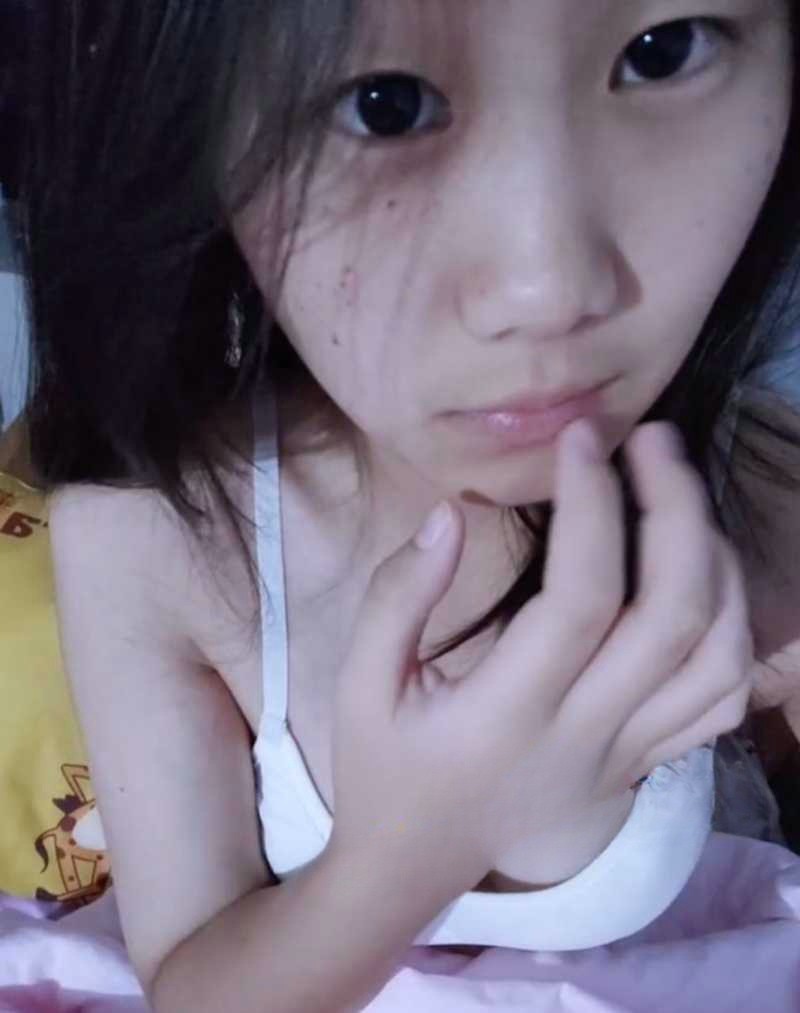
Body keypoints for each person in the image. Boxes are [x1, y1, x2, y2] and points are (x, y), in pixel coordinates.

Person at [17, 1, 800, 1010]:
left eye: (663, 52)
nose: (546, 289)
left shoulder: (754, 482)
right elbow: (194, 987)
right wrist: (418, 845)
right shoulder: (157, 533)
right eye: (382, 104)